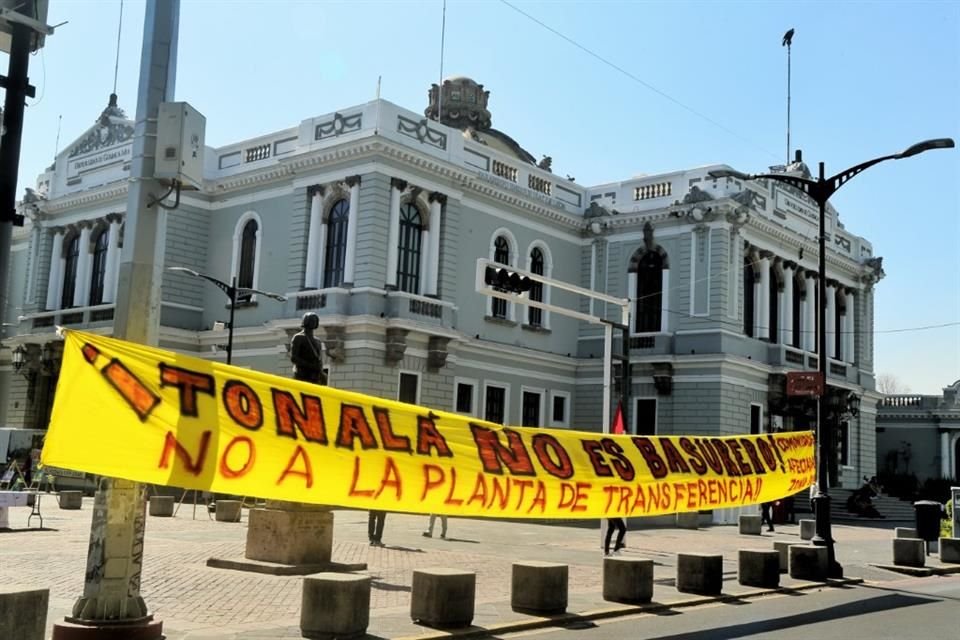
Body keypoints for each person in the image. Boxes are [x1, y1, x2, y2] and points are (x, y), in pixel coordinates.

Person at [290, 312, 326, 385]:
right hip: (302, 374)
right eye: (312, 320)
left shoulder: (318, 341)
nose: (313, 323)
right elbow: (294, 358)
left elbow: (319, 359)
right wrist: (310, 365)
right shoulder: (298, 338)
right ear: (306, 321)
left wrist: (320, 371)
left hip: (315, 376)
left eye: (315, 321)